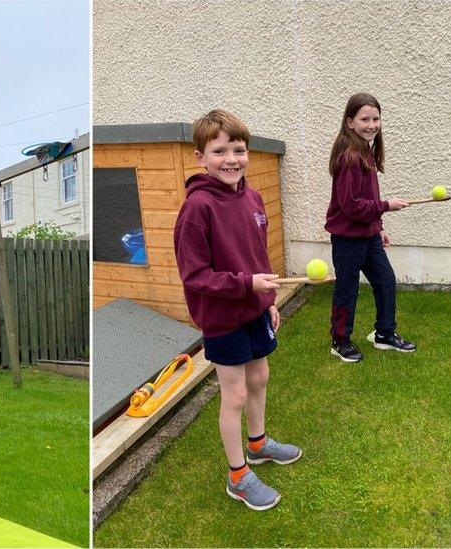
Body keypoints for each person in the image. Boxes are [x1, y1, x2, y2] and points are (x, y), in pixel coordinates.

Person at [173, 109, 302, 511]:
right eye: (220, 150)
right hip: (222, 318)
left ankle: (260, 444)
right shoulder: (197, 208)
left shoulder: (252, 197)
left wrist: (266, 302)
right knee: (234, 394)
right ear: (200, 157)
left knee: (260, 376)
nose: (231, 158)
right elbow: (195, 276)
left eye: (239, 149)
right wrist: (247, 285)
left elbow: (257, 256)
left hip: (254, 311)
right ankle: (238, 476)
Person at [326, 92, 416, 363]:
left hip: (368, 235)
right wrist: (386, 205)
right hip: (347, 239)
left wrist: (378, 227)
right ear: (350, 122)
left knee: (385, 280)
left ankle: (384, 334)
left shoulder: (366, 152)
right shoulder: (350, 157)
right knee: (347, 288)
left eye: (376, 118)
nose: (371, 124)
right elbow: (351, 206)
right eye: (365, 119)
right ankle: (340, 340)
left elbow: (367, 198)